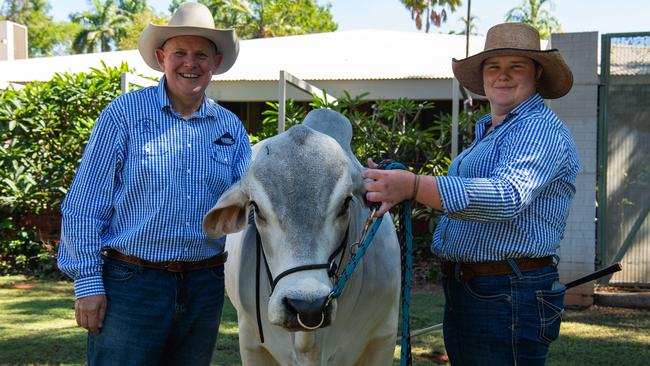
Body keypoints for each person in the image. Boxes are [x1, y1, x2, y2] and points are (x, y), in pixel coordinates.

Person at [363, 22, 579, 365]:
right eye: (494, 66)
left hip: (506, 291)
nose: (502, 76)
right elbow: (467, 206)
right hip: (479, 289)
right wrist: (403, 185)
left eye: (516, 66)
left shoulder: (538, 128)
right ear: (482, 75)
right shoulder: (492, 131)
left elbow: (507, 196)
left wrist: (415, 186)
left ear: (536, 73)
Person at [57, 3, 252, 365]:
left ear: (216, 62)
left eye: (201, 55)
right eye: (180, 53)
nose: (189, 64)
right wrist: (87, 283)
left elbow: (251, 206)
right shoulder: (123, 115)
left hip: (204, 286)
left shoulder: (231, 129)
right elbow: (84, 205)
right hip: (131, 284)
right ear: (162, 57)